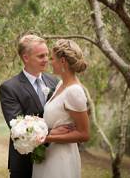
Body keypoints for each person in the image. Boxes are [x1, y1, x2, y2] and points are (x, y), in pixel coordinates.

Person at [0, 34, 62, 178]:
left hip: (55, 158)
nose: (46, 59)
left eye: (47, 55)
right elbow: (18, 127)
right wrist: (58, 133)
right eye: (41, 56)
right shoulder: (9, 88)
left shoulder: (55, 82)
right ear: (26, 58)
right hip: (24, 162)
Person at [32, 39, 90, 178]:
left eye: (52, 58)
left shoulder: (74, 91)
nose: (49, 61)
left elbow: (84, 134)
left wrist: (48, 138)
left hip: (61, 158)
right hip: (49, 154)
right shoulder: (60, 85)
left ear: (62, 61)